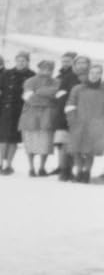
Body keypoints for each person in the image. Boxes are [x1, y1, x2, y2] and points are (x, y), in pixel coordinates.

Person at [0, 52, 29, 174]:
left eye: (23, 61)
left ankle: (9, 165)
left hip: (20, 112)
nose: (21, 63)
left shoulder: (31, 75)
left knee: (14, 140)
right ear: (15, 61)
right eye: (19, 60)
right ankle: (0, 163)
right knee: (2, 139)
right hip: (5, 111)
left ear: (27, 62)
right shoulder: (7, 74)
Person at [18, 59, 58, 176]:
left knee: (46, 143)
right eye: (43, 68)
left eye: (49, 69)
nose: (46, 71)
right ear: (39, 69)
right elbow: (28, 98)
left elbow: (56, 95)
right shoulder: (29, 81)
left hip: (48, 116)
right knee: (30, 142)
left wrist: (39, 92)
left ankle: (42, 167)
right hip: (30, 115)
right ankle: (31, 168)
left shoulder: (56, 82)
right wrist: (46, 97)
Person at [67, 61, 104, 183]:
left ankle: (86, 172)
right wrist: (72, 120)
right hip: (78, 122)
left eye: (98, 73)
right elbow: (70, 105)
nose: (94, 75)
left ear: (101, 75)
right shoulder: (78, 88)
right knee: (76, 149)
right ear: (88, 74)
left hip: (96, 125)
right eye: (92, 73)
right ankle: (78, 171)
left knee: (90, 150)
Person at [51, 52, 81, 181]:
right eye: (78, 63)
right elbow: (59, 95)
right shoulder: (66, 77)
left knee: (76, 145)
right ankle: (64, 170)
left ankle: (72, 170)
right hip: (65, 113)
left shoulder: (88, 77)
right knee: (63, 143)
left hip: (82, 115)